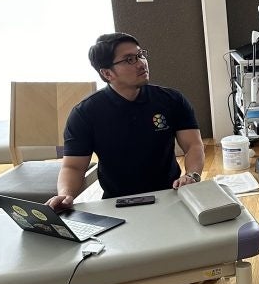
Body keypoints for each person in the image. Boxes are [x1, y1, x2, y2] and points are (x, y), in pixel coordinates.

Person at [47, 33, 205, 209]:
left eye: (140, 55)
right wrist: (65, 194)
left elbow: (193, 145)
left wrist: (192, 175)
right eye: (130, 59)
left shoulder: (172, 100)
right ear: (107, 73)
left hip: (170, 194)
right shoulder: (85, 113)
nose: (141, 63)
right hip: (117, 202)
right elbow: (73, 167)